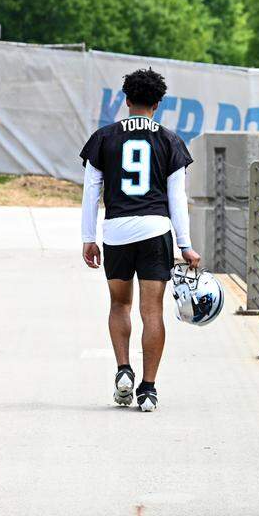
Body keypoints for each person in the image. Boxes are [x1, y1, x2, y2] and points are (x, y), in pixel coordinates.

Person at [79, 68, 201, 412]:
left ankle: (122, 370)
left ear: (126, 100)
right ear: (158, 104)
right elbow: (177, 199)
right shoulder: (170, 141)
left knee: (119, 305)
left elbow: (91, 193)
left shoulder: (103, 138)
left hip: (117, 231)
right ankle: (148, 389)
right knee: (152, 311)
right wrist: (185, 244)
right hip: (154, 231)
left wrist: (89, 238)